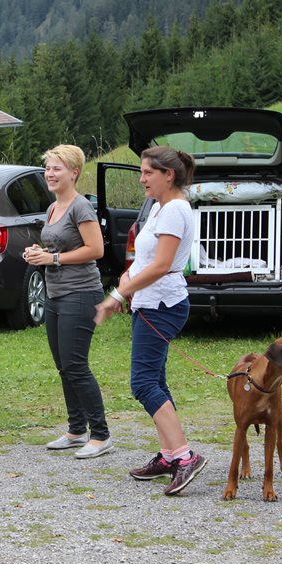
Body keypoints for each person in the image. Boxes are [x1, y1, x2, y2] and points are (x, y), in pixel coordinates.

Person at [94, 146, 206, 496]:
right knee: (154, 379)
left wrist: (117, 296)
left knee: (143, 383)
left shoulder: (174, 210)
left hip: (162, 304)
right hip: (150, 301)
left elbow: (161, 266)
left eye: (147, 173)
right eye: (141, 172)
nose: (141, 179)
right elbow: (145, 260)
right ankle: (169, 455)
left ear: (168, 175)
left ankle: (185, 457)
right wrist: (127, 279)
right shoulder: (160, 207)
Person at [24, 144, 112, 460]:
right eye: (48, 168)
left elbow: (96, 249)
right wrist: (39, 253)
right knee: (64, 366)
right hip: (55, 294)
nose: (50, 174)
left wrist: (54, 258)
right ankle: (77, 430)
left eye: (56, 168)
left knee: (76, 365)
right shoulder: (53, 208)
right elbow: (56, 248)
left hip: (81, 294)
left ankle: (101, 435)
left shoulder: (81, 207)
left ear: (74, 173)